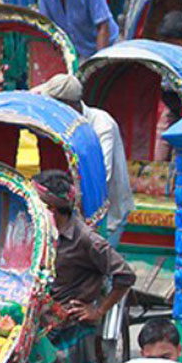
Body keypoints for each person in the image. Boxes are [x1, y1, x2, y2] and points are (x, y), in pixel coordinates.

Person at [34, 170, 136, 363]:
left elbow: (125, 275)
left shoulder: (86, 239)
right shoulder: (39, 231)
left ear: (53, 209)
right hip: (38, 312)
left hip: (69, 320)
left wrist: (98, 310)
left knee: (52, 360)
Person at [32, 73, 134, 246]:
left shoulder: (102, 125)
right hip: (68, 212)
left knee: (99, 265)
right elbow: (32, 95)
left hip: (105, 212)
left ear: (69, 106)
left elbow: (102, 176)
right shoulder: (59, 117)